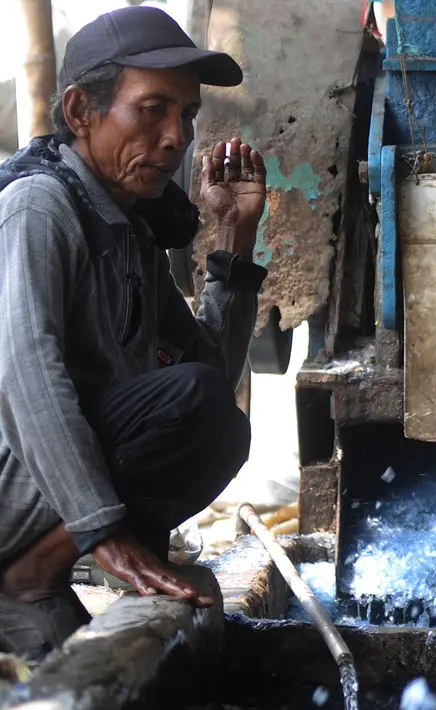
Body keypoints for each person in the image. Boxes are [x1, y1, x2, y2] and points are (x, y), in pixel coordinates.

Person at [0, 6, 268, 660]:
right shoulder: (39, 206)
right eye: (151, 109)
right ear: (79, 112)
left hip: (51, 503)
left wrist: (232, 236)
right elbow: (24, 377)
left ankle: (38, 571)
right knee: (195, 405)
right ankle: (36, 567)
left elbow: (208, 371)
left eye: (185, 115)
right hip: (17, 484)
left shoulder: (129, 226)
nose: (176, 137)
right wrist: (103, 534)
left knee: (219, 421)